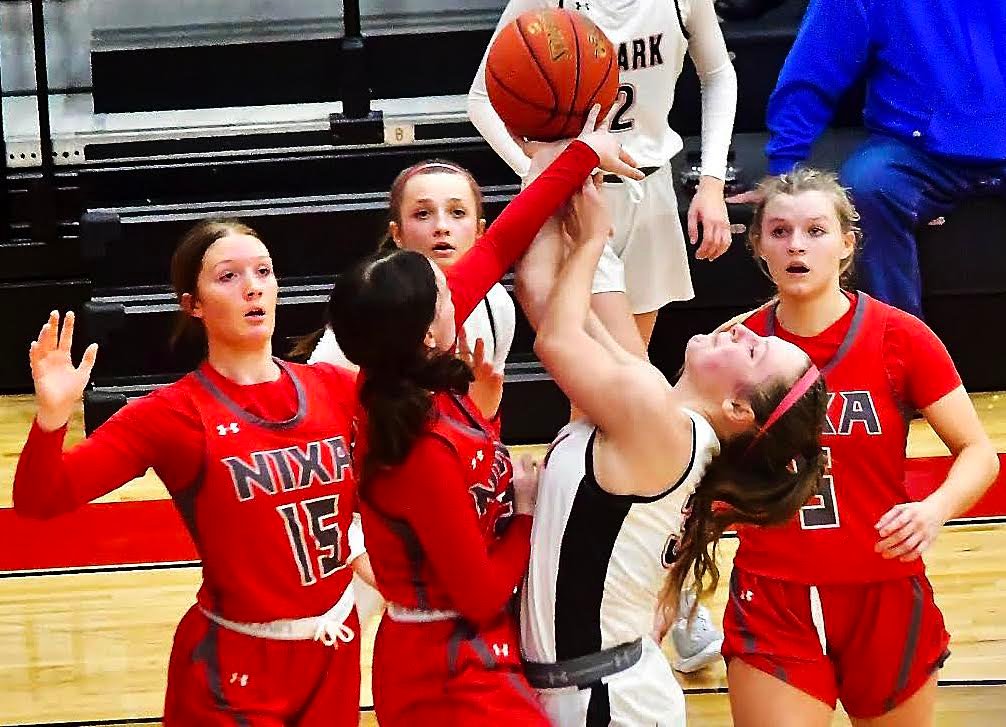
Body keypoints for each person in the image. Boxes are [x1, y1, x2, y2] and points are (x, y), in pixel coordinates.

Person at [325, 111, 640, 725]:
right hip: (445, 662)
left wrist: (579, 155)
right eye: (444, 295)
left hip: (463, 641)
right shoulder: (410, 438)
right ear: (425, 331)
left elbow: (500, 243)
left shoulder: (411, 370)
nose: (457, 289)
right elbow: (478, 591)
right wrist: (523, 509)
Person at [12, 220, 371, 725]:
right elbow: (39, 500)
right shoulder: (169, 415)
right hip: (234, 669)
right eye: (228, 276)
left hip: (333, 648)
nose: (252, 286)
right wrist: (51, 419)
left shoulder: (337, 388)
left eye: (263, 272)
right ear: (192, 304)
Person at [515, 176, 830, 726]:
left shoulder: (663, 430)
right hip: (598, 690)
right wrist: (551, 169)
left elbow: (555, 340)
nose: (740, 332)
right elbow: (542, 297)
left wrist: (589, 242)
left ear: (738, 410)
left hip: (605, 700)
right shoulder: (656, 404)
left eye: (753, 352)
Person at [722, 168, 999, 726]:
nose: (796, 245)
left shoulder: (902, 337)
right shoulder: (733, 349)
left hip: (884, 588)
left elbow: (979, 452)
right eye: (778, 231)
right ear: (758, 247)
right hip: (775, 595)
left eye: (815, 231)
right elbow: (687, 465)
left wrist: (934, 508)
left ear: (847, 245)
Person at [470, 0, 738, 352]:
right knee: (608, 374)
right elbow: (480, 100)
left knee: (627, 370)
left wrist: (712, 182)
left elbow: (719, 75)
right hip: (575, 202)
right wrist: (551, 179)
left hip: (650, 187)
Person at [727, 0, 1006, 319]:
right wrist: (784, 170)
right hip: (913, 152)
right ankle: (896, 347)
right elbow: (814, 68)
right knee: (866, 186)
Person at [307, 159, 515, 422]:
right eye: (423, 214)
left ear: (480, 231)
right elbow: (317, 412)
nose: (441, 226)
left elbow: (486, 414)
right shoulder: (371, 307)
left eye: (457, 213)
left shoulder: (497, 303)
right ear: (397, 234)